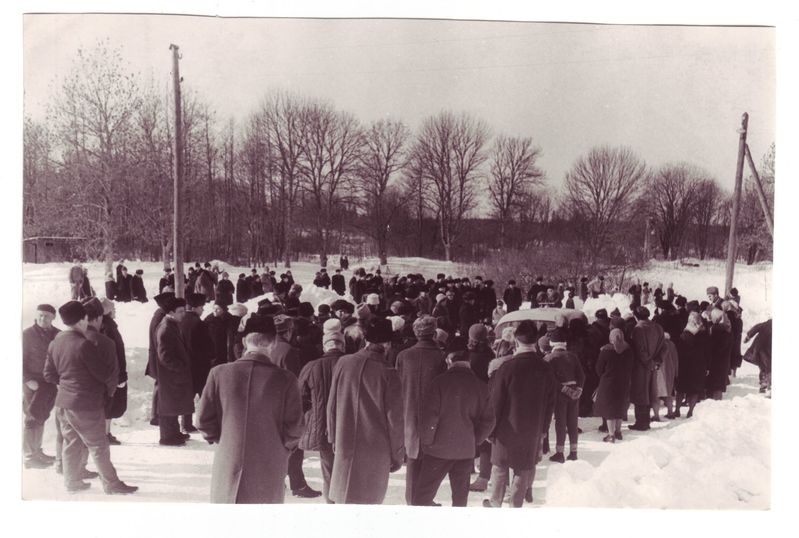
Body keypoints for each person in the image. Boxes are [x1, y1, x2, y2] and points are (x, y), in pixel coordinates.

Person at [196, 330, 304, 504]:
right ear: (272, 346)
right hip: (270, 458)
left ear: (246, 344)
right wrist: (283, 449)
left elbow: (202, 420)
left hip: (229, 455)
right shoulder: (286, 378)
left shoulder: (218, 373)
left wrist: (224, 440)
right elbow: (296, 427)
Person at [43, 301, 137, 494]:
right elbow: (103, 374)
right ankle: (111, 484)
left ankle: (72, 482)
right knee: (98, 446)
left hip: (63, 403)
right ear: (83, 319)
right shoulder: (83, 345)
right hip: (85, 405)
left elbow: (49, 374)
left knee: (71, 443)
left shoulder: (56, 341)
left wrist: (67, 383)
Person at [326, 317, 405, 504]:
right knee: (368, 504)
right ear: (386, 344)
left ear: (366, 341)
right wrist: (397, 454)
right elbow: (395, 420)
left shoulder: (344, 362)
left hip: (344, 442)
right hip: (376, 449)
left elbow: (332, 405)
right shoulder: (389, 372)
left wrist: (333, 437)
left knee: (343, 498)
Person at [484, 320, 557, 508]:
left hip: (505, 428)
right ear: (534, 342)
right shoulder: (546, 368)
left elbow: (496, 402)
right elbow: (550, 404)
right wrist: (543, 430)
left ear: (516, 341)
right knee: (523, 468)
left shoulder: (506, 368)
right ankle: (516, 507)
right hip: (532, 429)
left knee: (500, 467)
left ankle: (495, 503)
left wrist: (490, 430)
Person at [413, 343, 495, 507]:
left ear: (450, 361)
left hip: (437, 449)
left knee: (422, 496)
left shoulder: (439, 382)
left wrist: (427, 441)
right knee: (460, 499)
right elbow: (488, 420)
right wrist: (475, 439)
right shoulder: (481, 386)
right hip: (465, 450)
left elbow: (430, 417)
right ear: (468, 362)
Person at [396, 315, 447, 504]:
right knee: (430, 460)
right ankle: (424, 498)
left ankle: (412, 499)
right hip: (433, 415)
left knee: (412, 459)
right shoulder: (440, 356)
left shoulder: (403, 355)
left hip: (408, 413)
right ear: (434, 333)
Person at [269, 314, 320, 499]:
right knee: (295, 447)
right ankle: (298, 485)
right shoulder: (288, 351)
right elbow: (295, 380)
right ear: (289, 331)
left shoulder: (268, 347)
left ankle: (279, 481)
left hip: (269, 404)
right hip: (287, 404)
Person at [298, 329, 346, 503]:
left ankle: (331, 501)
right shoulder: (351, 364)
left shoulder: (312, 366)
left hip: (322, 425)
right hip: (348, 424)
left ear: (325, 347)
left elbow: (300, 398)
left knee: (328, 468)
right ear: (343, 345)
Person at [22, 304, 60, 468]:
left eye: (47, 316)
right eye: (40, 315)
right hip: (34, 383)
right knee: (32, 418)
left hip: (50, 383)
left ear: (53, 317)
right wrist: (27, 379)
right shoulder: (27, 335)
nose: (43, 319)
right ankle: (30, 457)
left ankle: (37, 451)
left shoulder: (58, 334)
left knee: (42, 416)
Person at [155, 296, 194, 446]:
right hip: (170, 376)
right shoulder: (165, 329)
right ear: (171, 312)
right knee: (168, 407)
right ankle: (166, 437)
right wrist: (181, 368)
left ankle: (174, 433)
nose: (183, 314)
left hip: (173, 376)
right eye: (180, 311)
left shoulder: (172, 325)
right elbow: (165, 356)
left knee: (174, 405)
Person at [546, 328, 585, 463]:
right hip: (575, 393)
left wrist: (564, 389)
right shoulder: (572, 356)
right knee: (573, 423)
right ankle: (573, 452)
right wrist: (578, 389)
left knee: (561, 424)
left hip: (560, 394)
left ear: (552, 343)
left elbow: (550, 380)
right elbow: (581, 375)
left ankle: (560, 452)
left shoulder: (549, 358)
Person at [466, 323, 495, 493]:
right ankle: (483, 477)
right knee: (485, 439)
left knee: (468, 435)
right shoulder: (490, 355)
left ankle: (469, 468)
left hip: (467, 400)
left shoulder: (467, 355)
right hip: (484, 400)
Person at [180, 293, 215, 432]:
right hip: (200, 365)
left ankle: (186, 423)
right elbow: (208, 346)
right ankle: (204, 422)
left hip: (186, 364)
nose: (203, 310)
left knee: (188, 394)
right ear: (195, 308)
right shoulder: (199, 324)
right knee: (203, 394)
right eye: (202, 307)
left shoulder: (180, 321)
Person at [629, 306, 666, 431]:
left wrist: (649, 363)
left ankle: (641, 422)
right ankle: (646, 421)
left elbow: (640, 351)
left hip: (641, 367)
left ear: (636, 316)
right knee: (650, 393)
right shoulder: (658, 327)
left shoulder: (638, 329)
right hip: (653, 366)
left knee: (640, 394)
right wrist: (657, 362)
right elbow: (664, 348)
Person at [593, 328, 633, 442]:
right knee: (620, 406)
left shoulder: (606, 350)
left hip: (608, 383)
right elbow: (631, 366)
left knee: (609, 408)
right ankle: (618, 432)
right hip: (624, 382)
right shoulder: (628, 350)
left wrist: (604, 375)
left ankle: (611, 435)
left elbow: (599, 369)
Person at [99, 298, 127, 445]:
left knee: (110, 405)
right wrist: (120, 374)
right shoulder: (108, 327)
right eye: (113, 309)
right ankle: (104, 434)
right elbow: (114, 354)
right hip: (112, 374)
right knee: (108, 405)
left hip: (113, 373)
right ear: (108, 311)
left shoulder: (108, 326)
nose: (115, 311)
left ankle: (107, 432)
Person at [146, 291, 174, 426]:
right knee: (160, 384)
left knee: (159, 384)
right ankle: (155, 415)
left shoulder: (158, 315)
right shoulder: (161, 316)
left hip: (156, 355)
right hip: (158, 356)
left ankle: (156, 414)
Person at [675, 312, 707, 418]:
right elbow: (708, 351)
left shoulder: (684, 335)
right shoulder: (703, 335)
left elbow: (679, 351)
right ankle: (690, 411)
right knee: (694, 390)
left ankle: (677, 410)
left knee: (680, 389)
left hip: (684, 366)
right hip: (698, 366)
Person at [706, 308, 733, 400]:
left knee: (715, 385)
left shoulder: (716, 330)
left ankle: (715, 405)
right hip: (723, 362)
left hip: (715, 362)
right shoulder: (727, 328)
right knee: (718, 386)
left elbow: (713, 346)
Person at [743, 318, 772, 393]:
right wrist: (748, 336)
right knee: (768, 367)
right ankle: (767, 385)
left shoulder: (766, 324)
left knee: (764, 367)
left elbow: (756, 328)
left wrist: (748, 337)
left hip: (760, 349)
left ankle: (764, 384)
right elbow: (756, 328)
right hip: (765, 350)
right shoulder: (769, 324)